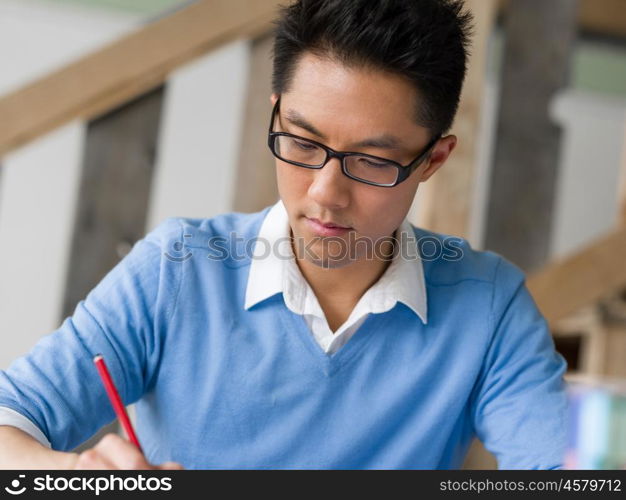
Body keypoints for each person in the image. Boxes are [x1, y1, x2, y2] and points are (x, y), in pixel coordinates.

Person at [0, 0, 567, 470]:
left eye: (371, 160)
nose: (325, 192)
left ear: (433, 159)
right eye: (301, 141)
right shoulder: (178, 269)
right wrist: (78, 474)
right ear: (276, 114)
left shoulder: (489, 306)